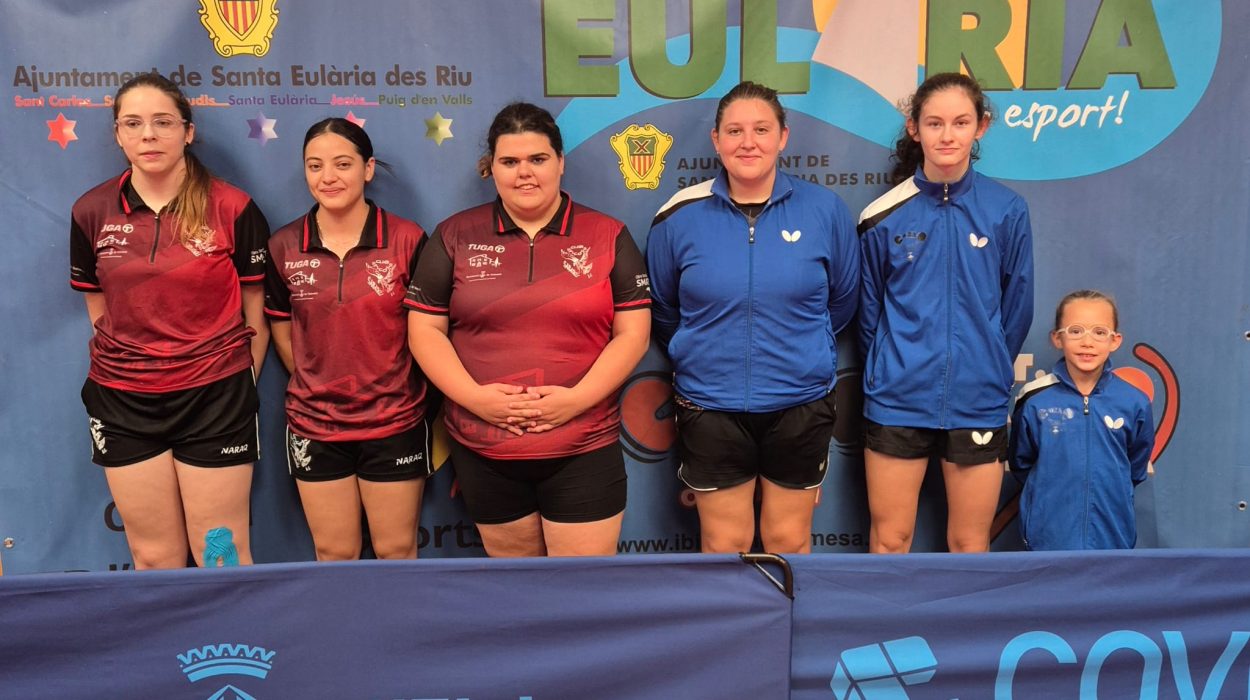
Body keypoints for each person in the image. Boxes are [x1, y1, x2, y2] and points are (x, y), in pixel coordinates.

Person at [406, 103, 651, 557]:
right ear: (492, 168)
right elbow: (424, 332)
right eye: (509, 161)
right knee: (517, 588)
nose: (524, 173)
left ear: (560, 162)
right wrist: (475, 399)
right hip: (485, 449)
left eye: (537, 159)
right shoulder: (455, 234)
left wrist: (576, 400)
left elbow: (633, 334)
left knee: (584, 589)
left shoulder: (607, 234)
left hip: (583, 444)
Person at [646, 81, 860, 554]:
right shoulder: (677, 217)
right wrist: (696, 351)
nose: (748, 142)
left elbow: (842, 302)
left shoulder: (825, 211)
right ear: (716, 140)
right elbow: (663, 308)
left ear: (783, 137)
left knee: (788, 541)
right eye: (735, 131)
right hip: (710, 404)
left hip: (800, 403)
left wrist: (804, 350)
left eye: (762, 130)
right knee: (725, 545)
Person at [69, 72, 270, 568]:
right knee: (154, 557)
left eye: (163, 122)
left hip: (215, 397)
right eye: (133, 123)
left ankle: (229, 628)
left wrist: (235, 380)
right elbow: (99, 306)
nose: (148, 135)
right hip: (123, 400)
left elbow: (256, 310)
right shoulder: (91, 211)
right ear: (118, 135)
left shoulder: (232, 206)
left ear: (188, 131)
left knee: (220, 551)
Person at [858, 72, 1033, 553]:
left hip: (977, 397)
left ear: (981, 127)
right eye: (934, 123)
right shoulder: (881, 216)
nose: (947, 135)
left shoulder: (1007, 209)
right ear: (914, 128)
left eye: (961, 122)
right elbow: (868, 316)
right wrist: (891, 371)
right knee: (891, 540)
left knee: (969, 543)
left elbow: (1017, 308)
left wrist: (987, 366)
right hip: (897, 398)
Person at [265, 118, 432, 560]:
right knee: (334, 553)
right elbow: (283, 332)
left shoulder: (407, 238)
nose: (328, 177)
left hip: (394, 420)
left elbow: (429, 333)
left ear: (367, 169)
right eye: (315, 166)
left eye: (342, 164)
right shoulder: (284, 245)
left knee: (396, 550)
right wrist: (319, 383)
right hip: (315, 424)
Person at [1009, 290, 1154, 550]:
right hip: (1049, 538)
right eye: (1075, 331)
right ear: (1057, 338)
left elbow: (1135, 467)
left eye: (1099, 332)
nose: (1087, 342)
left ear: (1115, 340)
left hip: (1113, 536)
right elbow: (1021, 463)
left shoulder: (1134, 401)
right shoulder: (1034, 399)